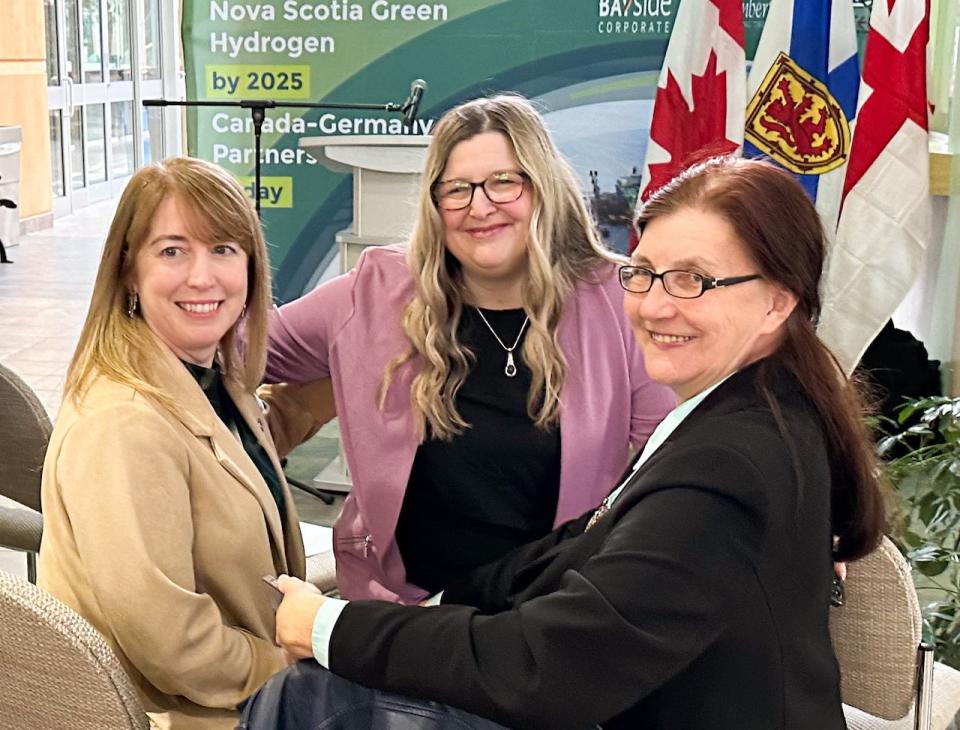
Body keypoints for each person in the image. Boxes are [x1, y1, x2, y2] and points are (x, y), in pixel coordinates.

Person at [241, 156, 887, 730]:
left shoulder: (733, 462)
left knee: (313, 698)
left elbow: (546, 666)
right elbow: (582, 543)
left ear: (778, 301)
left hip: (589, 692)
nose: (656, 306)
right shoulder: (748, 407)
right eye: (645, 273)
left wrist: (330, 627)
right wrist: (431, 610)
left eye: (693, 280)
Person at [264, 94, 674, 603]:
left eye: (504, 181)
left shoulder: (614, 299)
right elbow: (239, 346)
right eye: (456, 189)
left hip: (549, 615)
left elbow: (671, 460)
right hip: (400, 612)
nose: (480, 206)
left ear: (542, 186)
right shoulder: (375, 290)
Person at [37, 157, 330, 729]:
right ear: (128, 270)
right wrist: (303, 663)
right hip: (184, 712)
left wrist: (360, 368)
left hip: (232, 679)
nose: (203, 277)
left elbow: (238, 447)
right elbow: (175, 645)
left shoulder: (200, 372)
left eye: (223, 249)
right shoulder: (125, 425)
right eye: (172, 251)